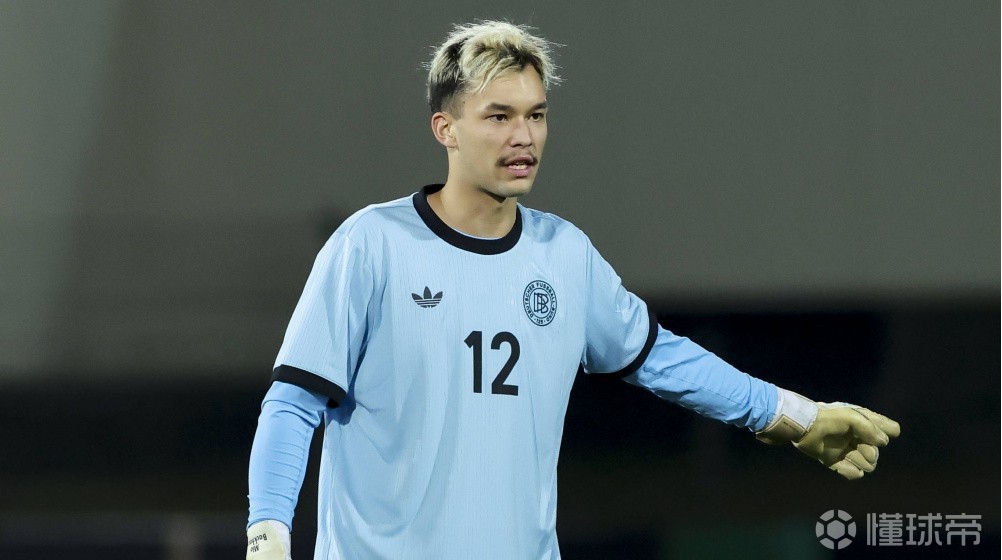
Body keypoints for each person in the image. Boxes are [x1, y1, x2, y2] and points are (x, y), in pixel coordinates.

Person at [245, 21, 900, 560]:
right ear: (445, 129)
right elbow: (294, 402)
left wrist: (795, 417)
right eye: (499, 116)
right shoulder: (371, 245)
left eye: (536, 115)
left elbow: (663, 359)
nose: (524, 136)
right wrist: (268, 534)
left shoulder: (564, 255)